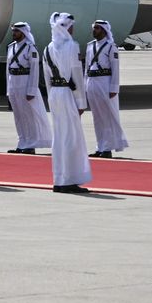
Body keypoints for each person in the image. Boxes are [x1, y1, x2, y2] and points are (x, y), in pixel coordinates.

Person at [43, 12, 92, 193]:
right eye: (71, 26)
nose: (73, 29)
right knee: (71, 136)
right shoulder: (72, 46)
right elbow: (77, 74)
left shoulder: (48, 48)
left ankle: (59, 177)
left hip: (55, 94)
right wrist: (81, 103)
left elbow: (46, 77)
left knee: (59, 136)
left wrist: (51, 97)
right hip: (68, 94)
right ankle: (69, 179)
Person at [84, 19, 128, 157]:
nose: (94, 30)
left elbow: (115, 69)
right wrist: (86, 84)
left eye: (97, 28)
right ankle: (100, 146)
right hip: (92, 82)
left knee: (107, 116)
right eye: (94, 28)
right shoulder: (90, 46)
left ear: (104, 30)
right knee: (97, 117)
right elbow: (87, 67)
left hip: (105, 82)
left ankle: (107, 148)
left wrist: (114, 88)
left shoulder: (110, 47)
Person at [6, 22, 49, 153]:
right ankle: (22, 142)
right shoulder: (11, 47)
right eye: (13, 31)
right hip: (13, 83)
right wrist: (8, 89)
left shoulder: (31, 48)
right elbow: (7, 69)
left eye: (17, 31)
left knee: (28, 115)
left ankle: (30, 144)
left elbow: (35, 70)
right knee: (18, 115)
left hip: (25, 82)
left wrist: (31, 90)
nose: (14, 34)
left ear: (24, 33)